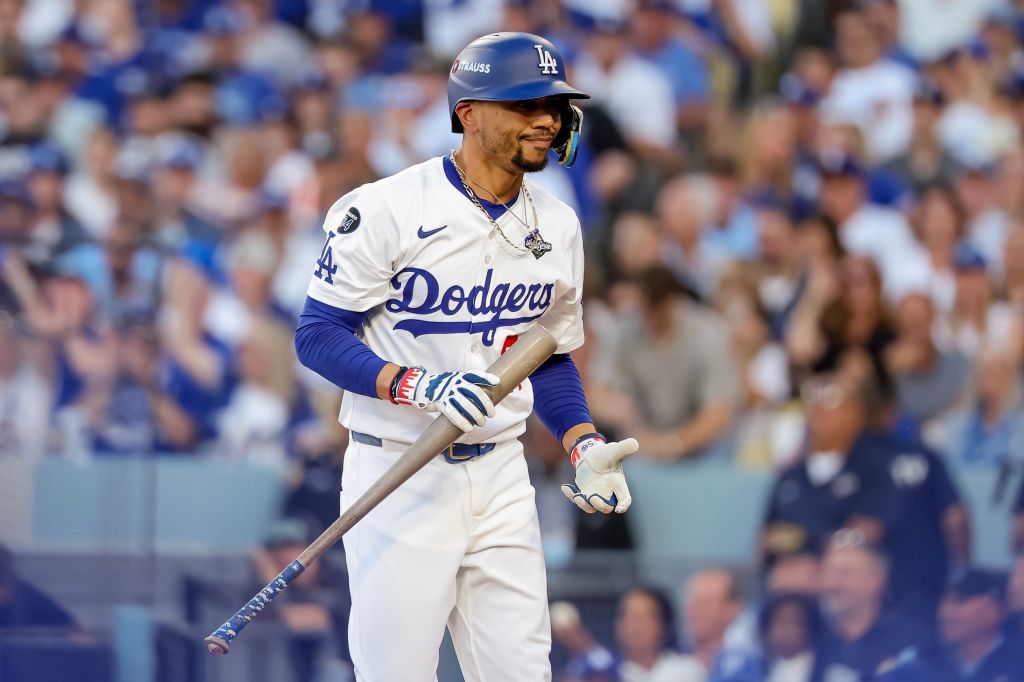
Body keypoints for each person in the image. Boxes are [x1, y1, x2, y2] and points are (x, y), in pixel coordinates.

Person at [293, 32, 638, 680]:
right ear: (468, 113)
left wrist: (582, 441)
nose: (545, 120)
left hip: (502, 473)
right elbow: (317, 334)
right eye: (524, 105)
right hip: (399, 467)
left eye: (553, 106)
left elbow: (547, 354)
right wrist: (418, 384)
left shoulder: (559, 224)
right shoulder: (387, 208)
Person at [813, 530, 934, 681]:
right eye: (829, 572)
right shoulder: (808, 636)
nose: (834, 583)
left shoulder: (911, 642)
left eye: (845, 573)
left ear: (877, 580)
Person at [937, 569, 1024, 681]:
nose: (945, 613)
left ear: (994, 608)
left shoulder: (1019, 662)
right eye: (943, 602)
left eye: (960, 601)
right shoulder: (923, 665)